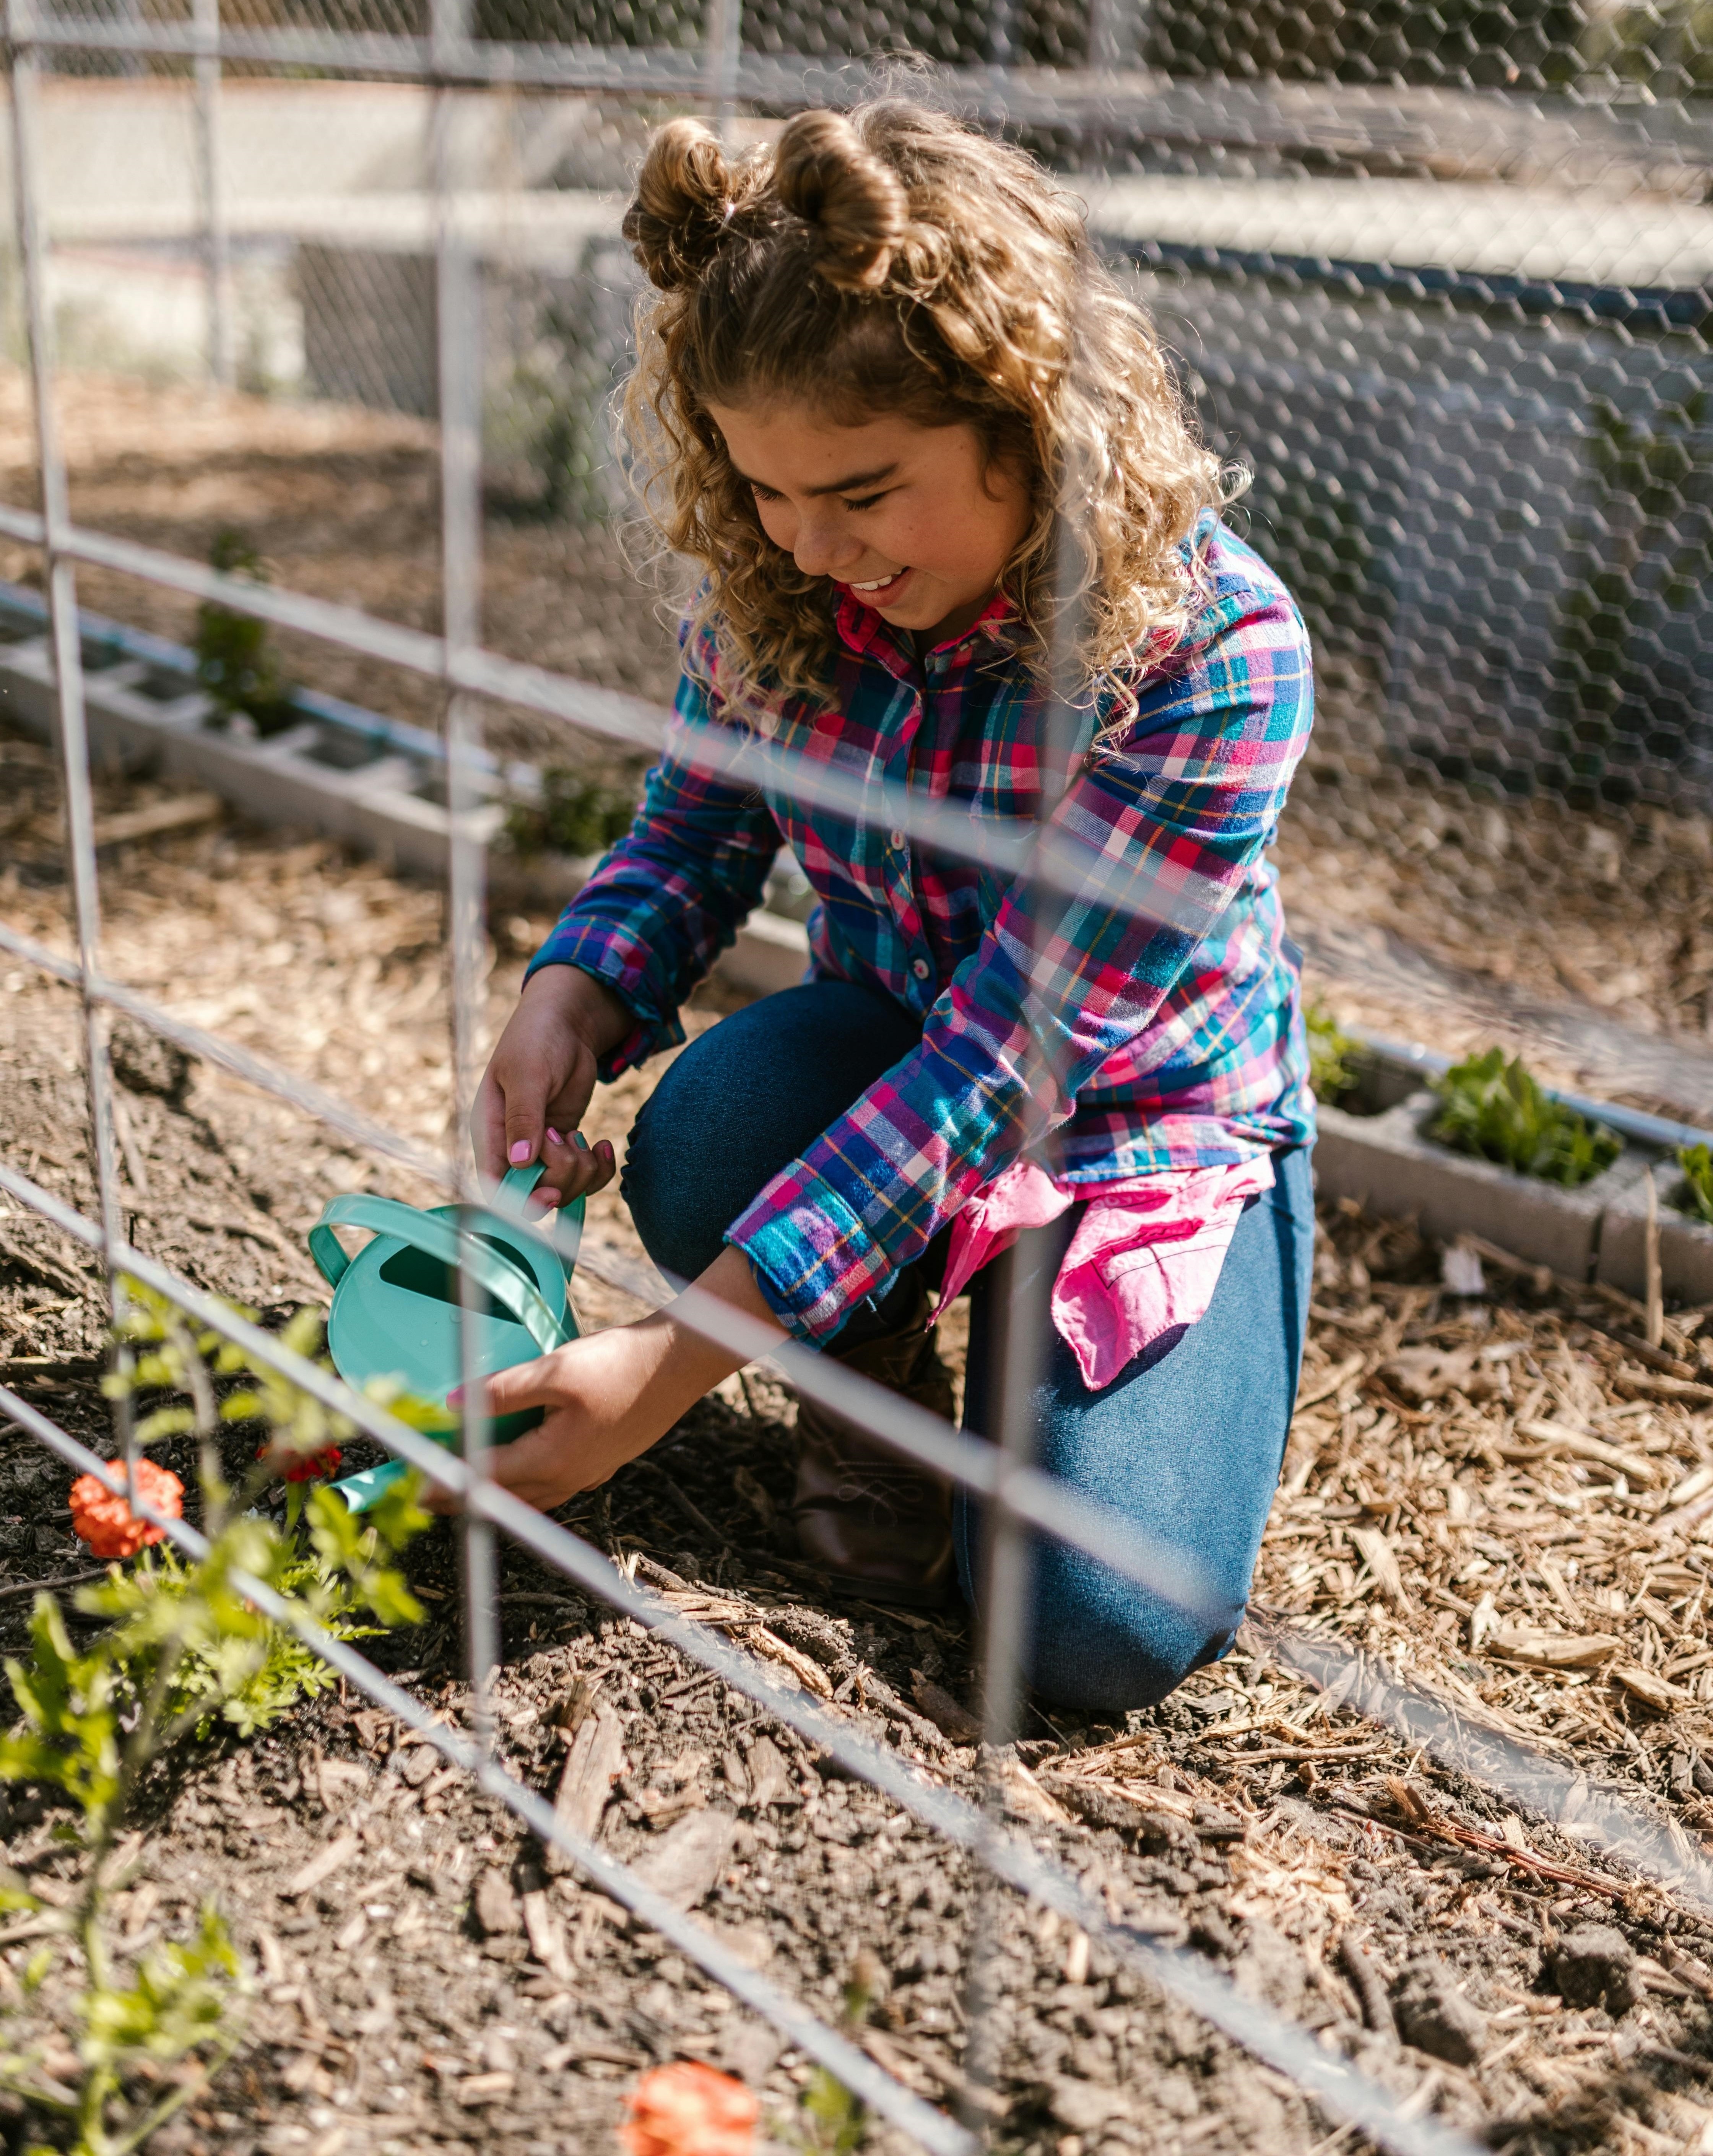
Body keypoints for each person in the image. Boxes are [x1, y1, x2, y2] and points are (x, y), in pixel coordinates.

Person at [447, 101, 1317, 1710]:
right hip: (895, 1064)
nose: (807, 543)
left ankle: (1036, 1346)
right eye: (762, 488)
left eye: (860, 490)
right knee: (711, 1128)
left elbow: (1006, 1061)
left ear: (1028, 416)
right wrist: (570, 989)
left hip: (1132, 1133)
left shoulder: (1209, 657)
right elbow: (691, 836)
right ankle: (879, 1374)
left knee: (1092, 1632)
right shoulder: (779, 587)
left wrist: (670, 1365)